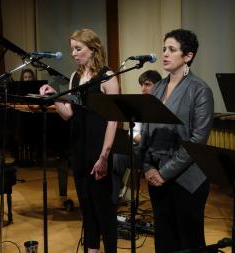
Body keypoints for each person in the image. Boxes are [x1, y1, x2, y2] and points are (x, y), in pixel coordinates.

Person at [40, 28, 119, 253]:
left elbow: (114, 121)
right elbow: (68, 114)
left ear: (93, 49)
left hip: (97, 148)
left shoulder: (107, 76)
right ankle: (92, 249)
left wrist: (104, 156)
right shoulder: (76, 77)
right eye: (72, 49)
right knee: (86, 203)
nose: (73, 53)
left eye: (78, 48)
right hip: (78, 147)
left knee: (103, 206)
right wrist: (53, 97)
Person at [140, 29, 214, 253]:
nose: (165, 54)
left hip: (187, 180)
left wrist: (165, 173)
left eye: (172, 49)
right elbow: (146, 130)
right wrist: (148, 167)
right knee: (164, 240)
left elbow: (197, 140)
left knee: (188, 243)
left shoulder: (200, 90)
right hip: (156, 176)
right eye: (164, 48)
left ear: (188, 56)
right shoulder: (158, 87)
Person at [112, 70, 161, 203]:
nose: (143, 89)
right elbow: (132, 132)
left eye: (147, 85)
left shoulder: (165, 105)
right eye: (142, 85)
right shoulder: (141, 106)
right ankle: (113, 201)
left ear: (158, 86)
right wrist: (144, 140)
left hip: (159, 155)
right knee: (117, 156)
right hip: (142, 152)